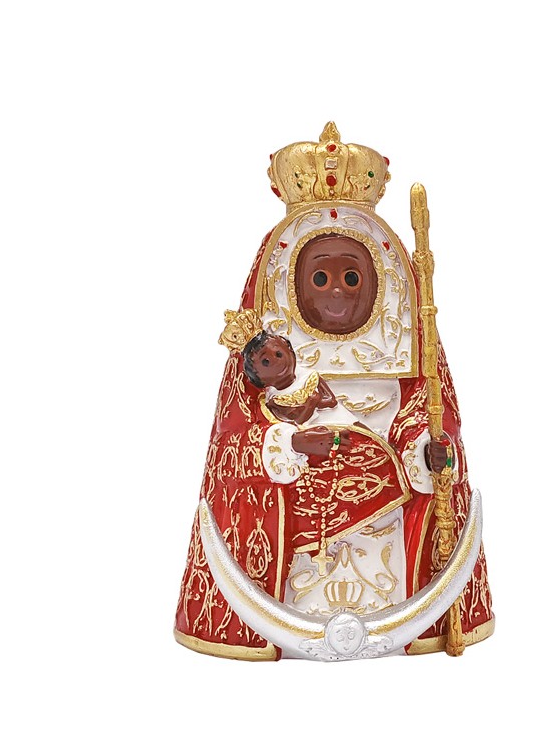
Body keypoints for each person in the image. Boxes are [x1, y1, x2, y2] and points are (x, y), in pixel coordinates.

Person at [175, 122, 493, 660]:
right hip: (293, 543)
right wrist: (287, 445)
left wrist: (428, 452)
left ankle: (412, 624)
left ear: (382, 282)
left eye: (352, 277)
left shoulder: (408, 352)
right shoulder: (265, 359)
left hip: (390, 539)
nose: (338, 293)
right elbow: (234, 446)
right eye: (321, 279)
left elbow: (426, 418)